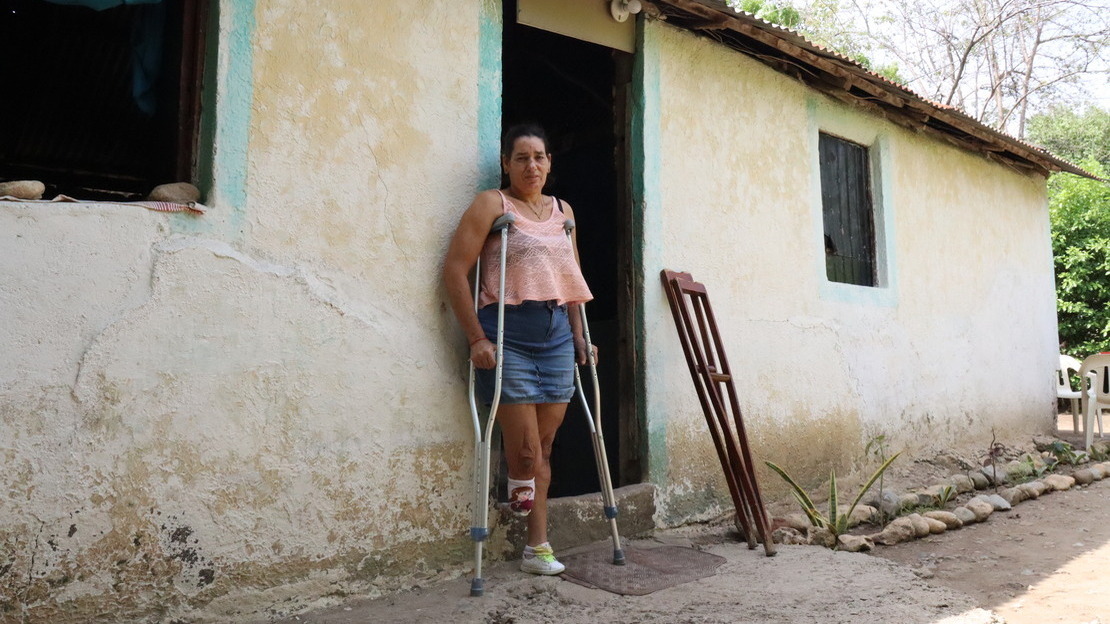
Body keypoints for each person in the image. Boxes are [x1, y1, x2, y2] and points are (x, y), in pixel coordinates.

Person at [443, 124, 596, 576]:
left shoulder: (563, 211)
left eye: (540, 157)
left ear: (550, 163)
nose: (532, 166)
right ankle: (520, 502)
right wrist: (476, 338)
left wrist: (580, 335)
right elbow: (454, 270)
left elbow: (571, 282)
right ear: (506, 163)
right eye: (522, 157)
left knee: (544, 447)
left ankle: (536, 547)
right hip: (509, 332)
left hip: (556, 337)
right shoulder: (492, 205)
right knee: (526, 452)